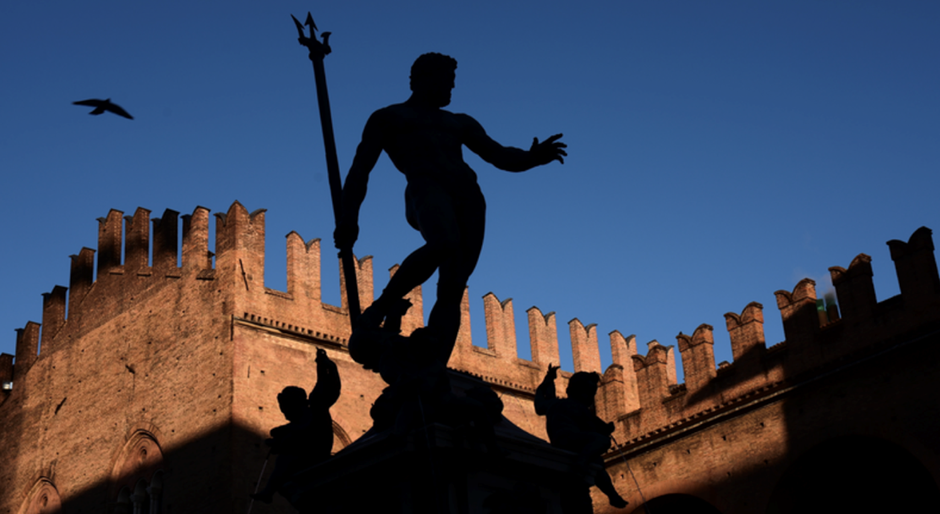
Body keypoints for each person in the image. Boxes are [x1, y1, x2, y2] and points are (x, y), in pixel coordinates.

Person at [334, 52, 566, 365]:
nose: (451, 89)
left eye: (452, 83)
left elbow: (499, 155)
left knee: (453, 286)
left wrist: (533, 157)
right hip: (425, 189)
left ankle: (434, 367)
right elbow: (360, 170)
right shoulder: (390, 118)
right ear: (421, 80)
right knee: (444, 242)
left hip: (469, 198)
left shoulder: (459, 122)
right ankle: (382, 306)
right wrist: (349, 219)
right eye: (446, 82)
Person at [251, 348, 340, 503]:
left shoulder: (315, 408)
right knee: (284, 462)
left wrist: (327, 365)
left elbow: (326, 385)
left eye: (287, 408)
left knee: (285, 461)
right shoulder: (303, 417)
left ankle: (268, 492)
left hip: (316, 452)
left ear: (295, 404)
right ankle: (268, 492)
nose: (286, 414)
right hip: (307, 453)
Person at [535, 364, 628, 510]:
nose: (590, 398)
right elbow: (594, 428)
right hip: (570, 439)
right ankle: (583, 464)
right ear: (574, 391)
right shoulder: (579, 408)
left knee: (597, 463)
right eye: (588, 393)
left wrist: (546, 382)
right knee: (602, 441)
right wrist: (606, 429)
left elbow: (539, 405)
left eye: (592, 394)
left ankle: (612, 495)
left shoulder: (555, 404)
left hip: (562, 442)